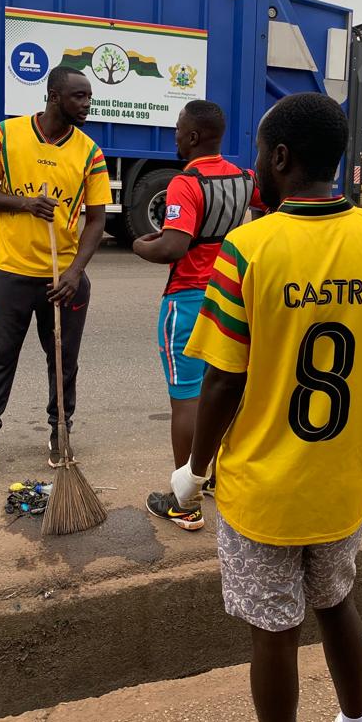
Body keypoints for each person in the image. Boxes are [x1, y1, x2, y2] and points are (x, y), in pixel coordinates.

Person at [169, 92, 362, 722]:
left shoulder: (248, 249)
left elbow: (221, 384)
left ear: (279, 158)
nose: (255, 163)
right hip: (341, 486)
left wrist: (194, 470)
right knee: (337, 603)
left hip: (263, 491)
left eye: (259, 152)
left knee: (274, 632)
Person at [0, 66, 111, 482]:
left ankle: (59, 434)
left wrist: (74, 272)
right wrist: (26, 204)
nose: (87, 104)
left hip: (61, 278)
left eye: (88, 97)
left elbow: (97, 221)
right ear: (53, 96)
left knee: (63, 363)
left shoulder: (89, 152)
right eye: (79, 96)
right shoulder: (5, 135)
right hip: (11, 272)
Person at [133, 99, 263, 531]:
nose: (174, 138)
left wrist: (139, 244)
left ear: (191, 137)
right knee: (224, 390)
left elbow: (172, 247)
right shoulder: (245, 178)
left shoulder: (185, 183)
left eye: (176, 131)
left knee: (186, 399)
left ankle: (184, 504)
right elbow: (273, 208)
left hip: (188, 300)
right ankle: (214, 477)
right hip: (233, 297)